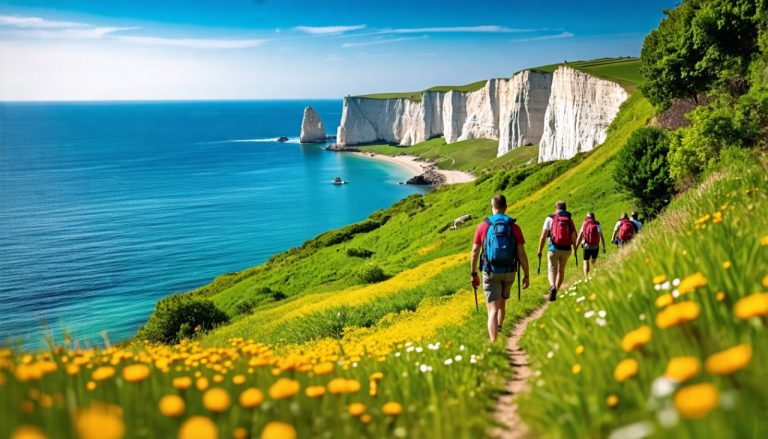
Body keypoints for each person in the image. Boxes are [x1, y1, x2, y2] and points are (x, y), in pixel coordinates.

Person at [470, 194, 530, 342]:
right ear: (506, 207)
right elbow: (521, 254)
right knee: (502, 304)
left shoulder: (483, 226)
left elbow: (475, 252)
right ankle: (500, 327)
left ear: (492, 207)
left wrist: (473, 274)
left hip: (490, 271)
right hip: (509, 271)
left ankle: (494, 342)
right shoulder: (514, 227)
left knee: (492, 309)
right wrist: (526, 275)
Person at [537, 201, 577, 301]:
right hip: (566, 249)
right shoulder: (569, 219)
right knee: (561, 270)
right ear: (565, 208)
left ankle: (552, 286)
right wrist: (575, 249)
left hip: (553, 248)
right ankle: (556, 291)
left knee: (552, 268)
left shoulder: (550, 218)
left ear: (555, 208)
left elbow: (543, 237)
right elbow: (574, 236)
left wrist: (540, 250)